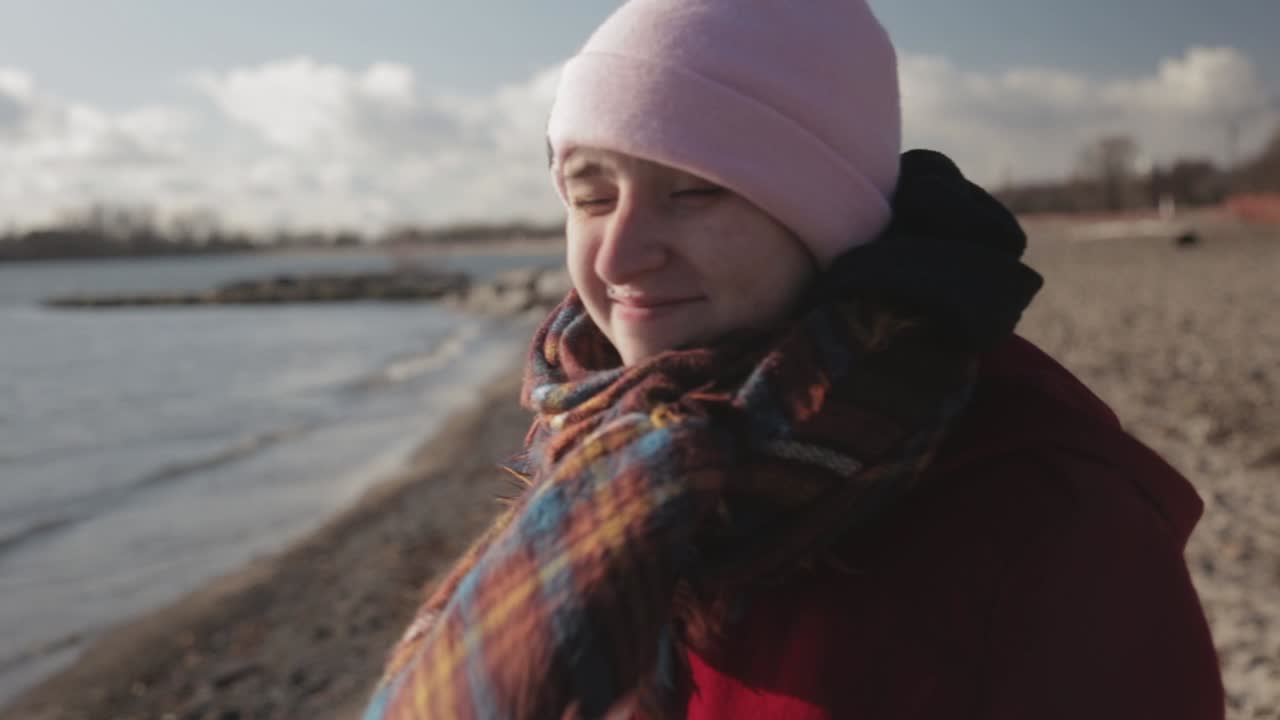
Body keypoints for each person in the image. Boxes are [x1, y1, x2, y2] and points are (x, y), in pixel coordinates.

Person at [363, 1, 1225, 718]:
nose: (621, 256)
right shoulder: (592, 445)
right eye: (591, 196)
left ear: (829, 216)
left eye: (694, 192)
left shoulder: (1049, 522)